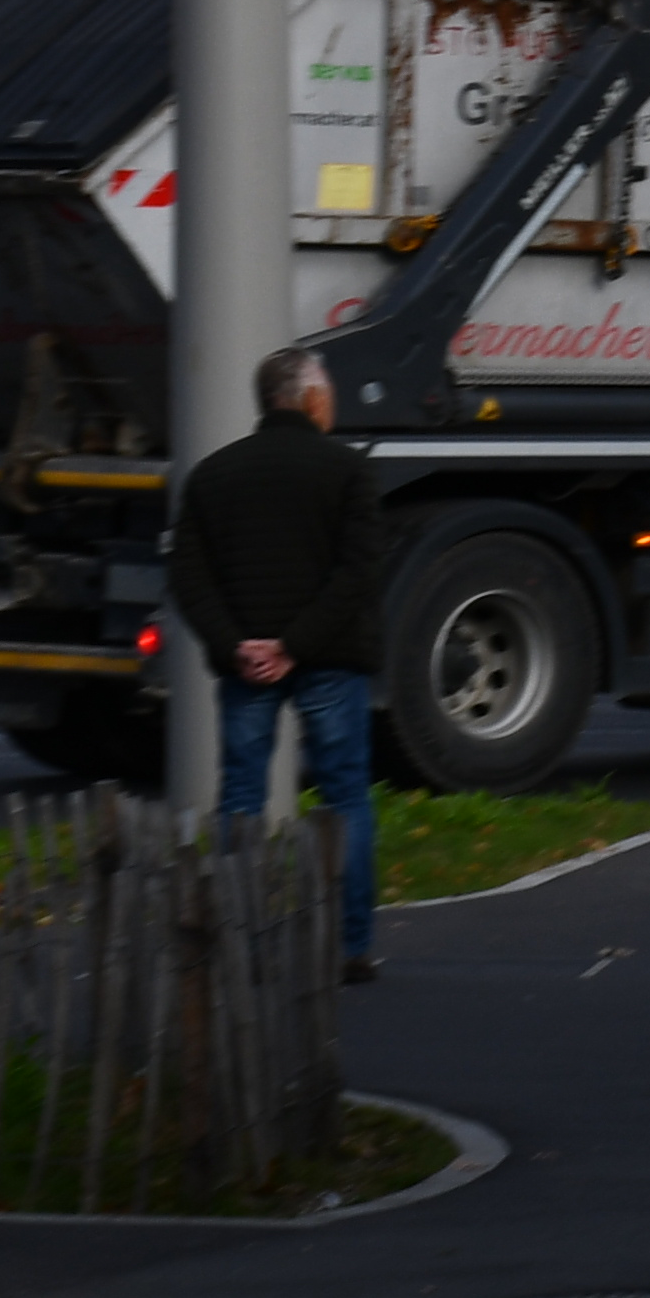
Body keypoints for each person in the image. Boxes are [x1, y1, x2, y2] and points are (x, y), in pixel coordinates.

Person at [170, 343, 397, 984]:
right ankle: (348, 945)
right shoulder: (346, 472)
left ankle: (236, 937)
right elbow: (357, 572)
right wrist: (296, 643)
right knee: (344, 796)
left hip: (246, 666)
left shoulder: (213, 475)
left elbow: (187, 573)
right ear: (311, 398)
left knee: (241, 796)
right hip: (328, 657)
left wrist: (237, 643)